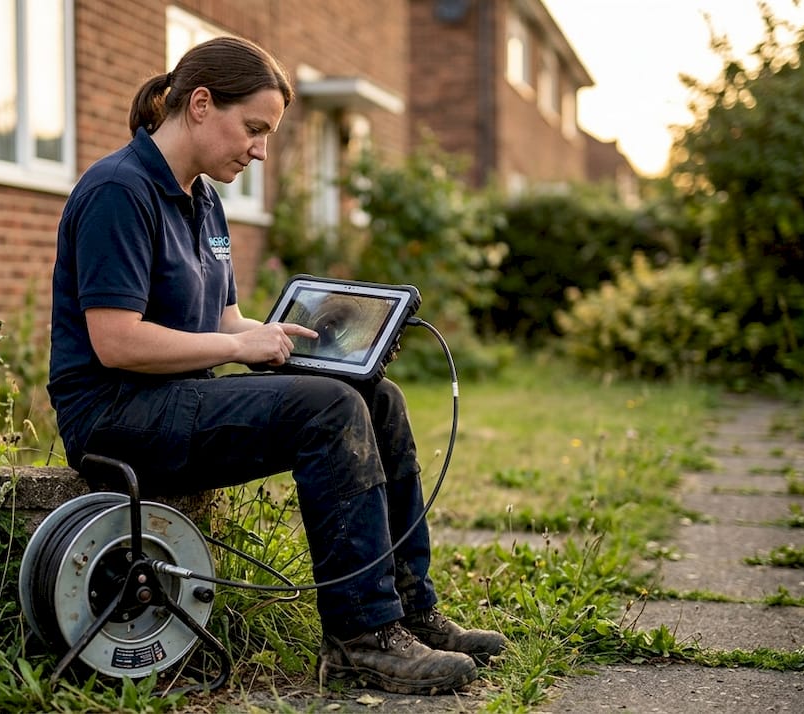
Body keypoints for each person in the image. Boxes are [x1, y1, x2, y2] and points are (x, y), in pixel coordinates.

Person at [48, 35, 507, 695]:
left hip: (178, 401)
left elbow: (226, 320)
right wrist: (240, 348)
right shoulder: (118, 190)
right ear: (200, 104)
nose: (260, 150)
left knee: (374, 395)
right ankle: (361, 638)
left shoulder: (202, 198)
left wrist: (306, 342)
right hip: (116, 417)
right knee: (327, 410)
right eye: (254, 129)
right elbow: (116, 342)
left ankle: (411, 609)